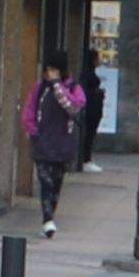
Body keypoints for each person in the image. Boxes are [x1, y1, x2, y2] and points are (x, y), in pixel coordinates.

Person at [24, 62, 87, 227]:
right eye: (49, 70)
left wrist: (58, 86)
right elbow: (29, 110)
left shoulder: (72, 87)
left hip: (62, 143)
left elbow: (74, 107)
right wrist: (33, 131)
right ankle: (47, 219)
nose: (50, 74)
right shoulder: (40, 88)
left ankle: (50, 213)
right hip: (43, 142)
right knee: (45, 181)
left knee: (56, 183)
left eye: (54, 70)